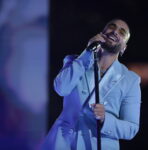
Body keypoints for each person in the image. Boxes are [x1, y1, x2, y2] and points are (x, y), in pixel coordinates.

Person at [42, 19, 141, 150]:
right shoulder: (74, 61)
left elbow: (131, 128)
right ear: (102, 33)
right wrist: (88, 51)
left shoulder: (130, 80)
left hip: (97, 145)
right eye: (112, 26)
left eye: (122, 32)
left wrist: (106, 119)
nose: (115, 31)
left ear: (124, 48)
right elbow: (61, 88)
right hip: (62, 142)